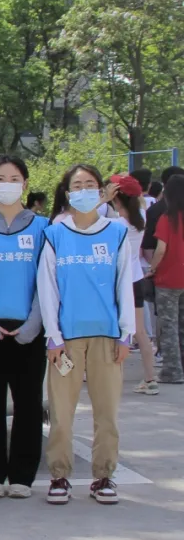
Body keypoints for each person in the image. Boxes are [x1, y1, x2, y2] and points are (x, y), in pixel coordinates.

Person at [38, 163, 134, 505]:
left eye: (90, 184)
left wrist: (126, 333)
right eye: (77, 186)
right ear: (67, 193)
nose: (84, 191)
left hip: (107, 336)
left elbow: (125, 284)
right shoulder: (55, 234)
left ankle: (104, 476)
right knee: (61, 413)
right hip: (66, 338)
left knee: (106, 413)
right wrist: (53, 335)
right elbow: (48, 288)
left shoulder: (117, 233)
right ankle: (59, 476)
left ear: (101, 190)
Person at [0, 156, 48, 500]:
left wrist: (34, 323)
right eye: (0, 178)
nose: (7, 184)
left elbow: (47, 280)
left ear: (25, 184)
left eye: (14, 178)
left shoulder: (42, 227)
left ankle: (22, 477)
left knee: (28, 406)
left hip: (29, 330)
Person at [107, 174, 157, 394]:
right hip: (136, 280)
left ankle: (111, 380)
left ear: (116, 197)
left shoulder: (114, 224)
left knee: (114, 331)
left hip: (116, 282)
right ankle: (150, 379)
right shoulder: (141, 218)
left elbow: (85, 220)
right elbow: (139, 201)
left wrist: (103, 200)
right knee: (140, 332)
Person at [152, 174, 184, 385]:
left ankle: (172, 371)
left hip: (168, 279)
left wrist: (152, 268)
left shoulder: (167, 218)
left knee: (169, 327)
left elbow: (161, 249)